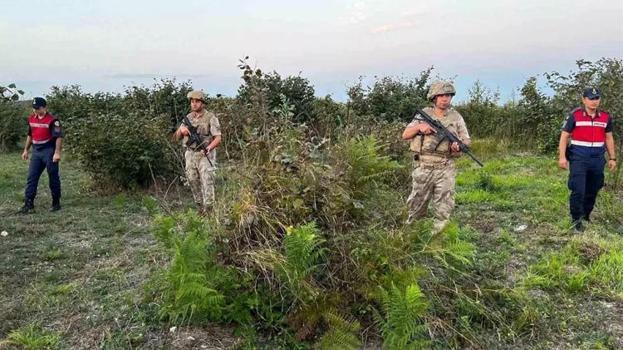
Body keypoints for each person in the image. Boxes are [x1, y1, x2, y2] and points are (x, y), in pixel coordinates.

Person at [402, 81, 471, 233]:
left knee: (444, 206)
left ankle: (438, 239)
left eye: (448, 95)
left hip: (445, 167)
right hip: (423, 166)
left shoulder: (456, 117)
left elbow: (466, 140)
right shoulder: (423, 115)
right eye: (441, 95)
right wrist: (420, 127)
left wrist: (458, 146)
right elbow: (405, 135)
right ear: (434, 97)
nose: (445, 99)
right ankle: (413, 235)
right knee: (417, 203)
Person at [558, 87, 616, 232]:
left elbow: (609, 138)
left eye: (596, 98)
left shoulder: (605, 118)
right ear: (584, 100)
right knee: (578, 189)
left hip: (597, 159)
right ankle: (576, 219)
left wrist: (612, 158)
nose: (594, 101)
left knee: (594, 188)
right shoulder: (575, 116)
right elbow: (564, 136)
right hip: (579, 158)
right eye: (591, 98)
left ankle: (586, 214)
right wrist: (562, 157)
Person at [174, 90, 222, 214]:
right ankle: (200, 209)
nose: (194, 104)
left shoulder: (210, 117)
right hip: (190, 154)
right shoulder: (188, 118)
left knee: (207, 181)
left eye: (197, 101)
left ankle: (210, 211)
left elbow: (218, 138)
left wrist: (209, 148)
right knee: (192, 180)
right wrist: (182, 130)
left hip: (205, 154)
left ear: (202, 103)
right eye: (192, 101)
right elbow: (175, 137)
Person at [19, 97, 64, 213]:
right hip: (36, 152)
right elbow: (30, 135)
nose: (35, 110)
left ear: (44, 107)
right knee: (31, 177)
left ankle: (56, 203)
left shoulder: (53, 120)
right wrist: (26, 150)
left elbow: (59, 137)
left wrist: (57, 153)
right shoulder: (31, 119)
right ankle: (28, 204)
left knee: (53, 177)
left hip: (49, 151)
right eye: (34, 108)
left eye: (37, 108)